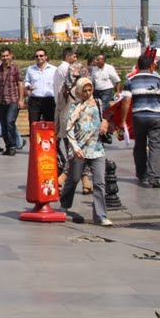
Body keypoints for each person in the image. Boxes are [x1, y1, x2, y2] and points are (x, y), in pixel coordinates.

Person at [59, 77, 113, 226]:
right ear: (79, 91)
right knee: (74, 178)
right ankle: (65, 204)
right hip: (80, 149)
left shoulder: (98, 103)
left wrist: (105, 122)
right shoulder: (74, 107)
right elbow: (69, 128)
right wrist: (75, 147)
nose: (88, 93)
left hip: (96, 149)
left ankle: (100, 215)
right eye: (85, 90)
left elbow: (106, 116)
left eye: (90, 90)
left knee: (100, 182)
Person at [120, 53, 160, 188]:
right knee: (155, 147)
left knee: (139, 146)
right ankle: (154, 177)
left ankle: (142, 174)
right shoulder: (159, 81)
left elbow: (126, 101)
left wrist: (122, 120)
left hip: (138, 117)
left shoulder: (131, 81)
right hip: (156, 117)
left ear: (138, 66)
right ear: (152, 66)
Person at [23, 48, 57, 123]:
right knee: (33, 123)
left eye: (41, 56)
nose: (39, 58)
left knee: (50, 123)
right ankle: (33, 135)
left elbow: (58, 83)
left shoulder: (54, 69)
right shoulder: (30, 69)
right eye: (37, 56)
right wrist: (28, 86)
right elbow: (26, 81)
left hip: (49, 99)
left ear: (46, 57)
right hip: (35, 99)